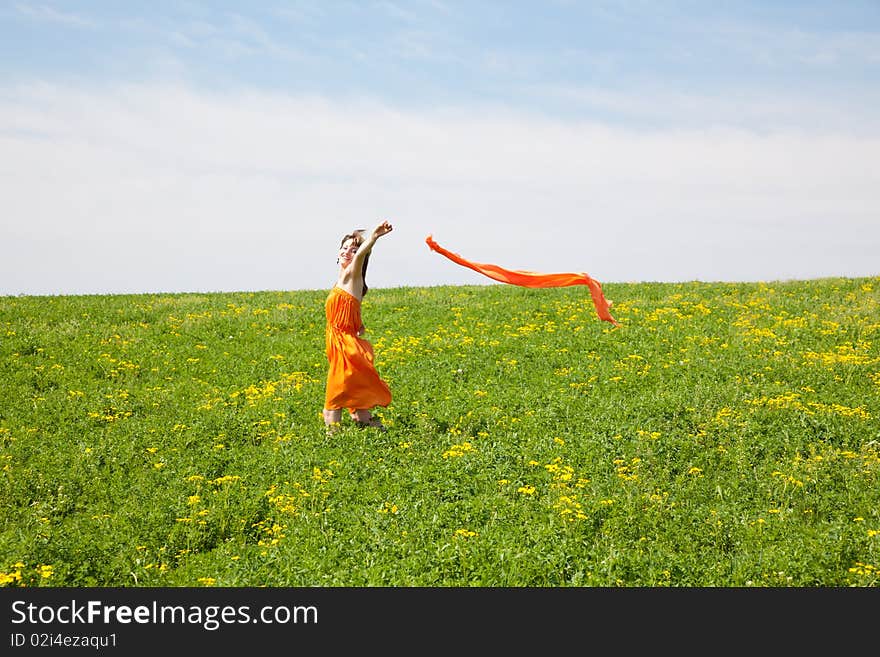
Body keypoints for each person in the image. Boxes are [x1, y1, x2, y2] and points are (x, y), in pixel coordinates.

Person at [322, 220, 393, 432]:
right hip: (337, 343)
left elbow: (361, 255)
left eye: (352, 250)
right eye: (344, 248)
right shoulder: (340, 281)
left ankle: (331, 441)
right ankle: (374, 429)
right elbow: (348, 307)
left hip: (345, 346)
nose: (347, 252)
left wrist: (373, 237)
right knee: (358, 404)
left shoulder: (353, 275)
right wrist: (358, 322)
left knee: (332, 402)